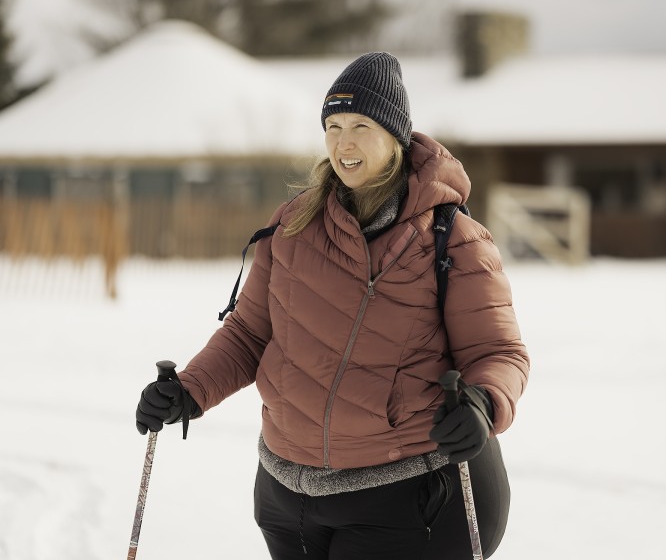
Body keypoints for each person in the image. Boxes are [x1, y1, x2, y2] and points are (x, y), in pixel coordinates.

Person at [135, 52, 530, 560]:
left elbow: (501, 352)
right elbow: (250, 334)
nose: (344, 142)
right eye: (333, 125)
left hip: (405, 497)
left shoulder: (451, 238)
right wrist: (189, 390)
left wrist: (483, 402)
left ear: (396, 136)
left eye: (361, 125)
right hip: (287, 495)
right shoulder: (294, 225)